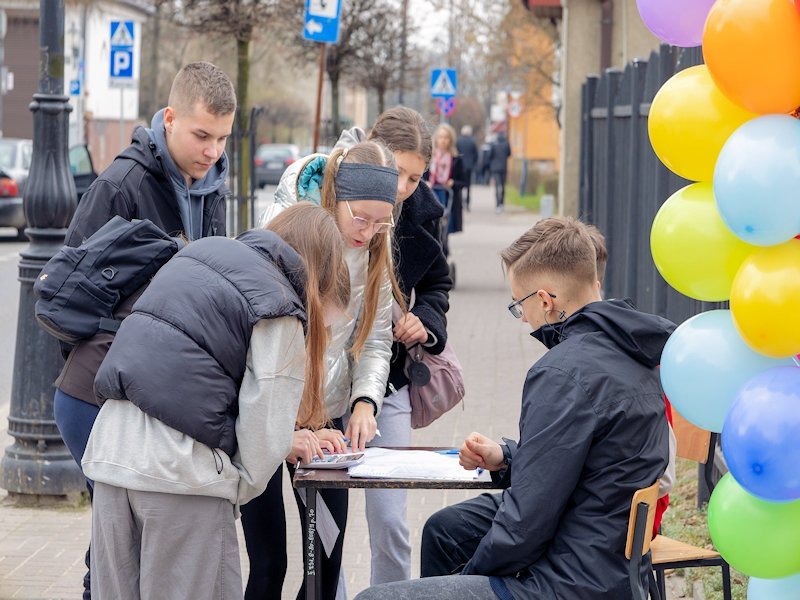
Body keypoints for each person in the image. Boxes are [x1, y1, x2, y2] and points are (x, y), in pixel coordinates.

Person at [354, 216, 675, 600]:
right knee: (445, 530)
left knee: (372, 598)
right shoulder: (636, 350)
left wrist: (470, 579)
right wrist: (507, 455)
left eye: (519, 305)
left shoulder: (561, 372)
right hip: (605, 554)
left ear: (545, 299)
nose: (523, 318)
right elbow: (584, 461)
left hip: (568, 581)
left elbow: (526, 523)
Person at [82, 203, 350, 599]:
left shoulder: (200, 253)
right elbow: (263, 436)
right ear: (320, 279)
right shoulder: (279, 303)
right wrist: (230, 487)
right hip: (183, 480)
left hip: (111, 455)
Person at [52, 61, 235, 599]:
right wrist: (111, 361)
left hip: (156, 397)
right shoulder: (121, 185)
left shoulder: (212, 187)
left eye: (223, 139)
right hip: (103, 394)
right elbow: (66, 296)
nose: (213, 152)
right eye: (202, 135)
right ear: (170, 119)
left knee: (123, 545)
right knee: (114, 549)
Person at [244, 141, 399, 600]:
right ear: (335, 199)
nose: (369, 232)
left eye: (381, 221)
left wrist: (365, 401)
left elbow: (376, 336)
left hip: (328, 417)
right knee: (271, 562)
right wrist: (278, 428)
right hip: (270, 412)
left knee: (326, 561)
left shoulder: (376, 251)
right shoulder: (288, 232)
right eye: (361, 219)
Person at [333, 106, 453, 586]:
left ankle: (392, 597)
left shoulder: (424, 214)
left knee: (390, 521)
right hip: (325, 380)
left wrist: (423, 322)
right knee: (326, 524)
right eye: (398, 172)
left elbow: (439, 285)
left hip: (390, 380)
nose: (404, 187)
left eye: (415, 177)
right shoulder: (333, 195)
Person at [428, 123, 466, 237]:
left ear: (450, 140)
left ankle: (444, 249)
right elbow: (420, 177)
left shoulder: (456, 159)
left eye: (446, 137)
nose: (443, 140)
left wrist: (453, 182)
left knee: (445, 230)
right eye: (440, 137)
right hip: (432, 194)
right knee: (432, 227)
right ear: (436, 139)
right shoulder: (429, 157)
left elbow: (464, 181)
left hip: (448, 197)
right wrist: (427, 184)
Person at [456, 125, 478, 211]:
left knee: (460, 185)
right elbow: (476, 154)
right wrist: (473, 163)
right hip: (469, 166)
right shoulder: (472, 142)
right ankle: (468, 203)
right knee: (468, 185)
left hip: (460, 166)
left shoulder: (459, 141)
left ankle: (460, 203)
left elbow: (456, 152)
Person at [489, 132, 511, 213]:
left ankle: (497, 204)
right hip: (503, 168)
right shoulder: (506, 144)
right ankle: (502, 203)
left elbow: (489, 155)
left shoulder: (493, 145)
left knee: (497, 186)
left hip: (495, 168)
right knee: (503, 186)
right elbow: (509, 154)